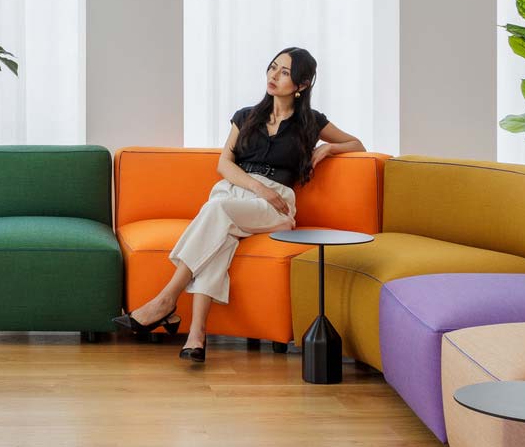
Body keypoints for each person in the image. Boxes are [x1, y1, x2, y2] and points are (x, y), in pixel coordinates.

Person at [117, 47, 365, 365]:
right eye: (273, 67)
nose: (274, 75)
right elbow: (224, 163)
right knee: (220, 239)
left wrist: (328, 149)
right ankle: (196, 336)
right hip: (237, 192)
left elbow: (357, 144)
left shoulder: (311, 122)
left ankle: (166, 300)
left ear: (301, 84)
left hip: (275, 205)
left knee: (216, 212)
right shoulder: (246, 116)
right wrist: (257, 187)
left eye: (285, 72)